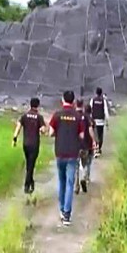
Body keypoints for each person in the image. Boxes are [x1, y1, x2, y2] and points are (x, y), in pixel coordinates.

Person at [48, 90, 86, 226]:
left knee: (62, 181)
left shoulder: (57, 115)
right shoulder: (78, 116)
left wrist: (60, 133)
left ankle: (61, 209)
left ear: (62, 100)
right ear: (74, 101)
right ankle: (67, 214)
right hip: (72, 153)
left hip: (60, 152)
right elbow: (82, 136)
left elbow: (50, 133)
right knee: (70, 183)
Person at [12, 97, 46, 194]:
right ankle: (27, 185)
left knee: (28, 163)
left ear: (30, 105)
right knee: (31, 164)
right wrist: (42, 130)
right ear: (38, 105)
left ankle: (30, 182)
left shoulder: (24, 116)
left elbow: (18, 127)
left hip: (25, 144)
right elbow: (43, 130)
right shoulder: (39, 117)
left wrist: (14, 138)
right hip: (34, 144)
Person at [74, 99, 98, 194]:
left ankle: (76, 185)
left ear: (76, 104)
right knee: (84, 163)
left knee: (76, 166)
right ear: (82, 105)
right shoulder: (86, 117)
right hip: (85, 145)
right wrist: (94, 141)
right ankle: (84, 176)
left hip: (75, 145)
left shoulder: (73, 116)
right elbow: (90, 130)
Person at [89, 87, 109, 157]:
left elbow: (90, 109)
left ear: (96, 93)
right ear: (101, 93)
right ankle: (98, 149)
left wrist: (90, 119)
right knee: (100, 136)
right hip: (101, 121)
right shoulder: (103, 101)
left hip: (94, 121)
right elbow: (106, 111)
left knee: (95, 135)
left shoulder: (92, 100)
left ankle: (95, 149)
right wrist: (107, 121)